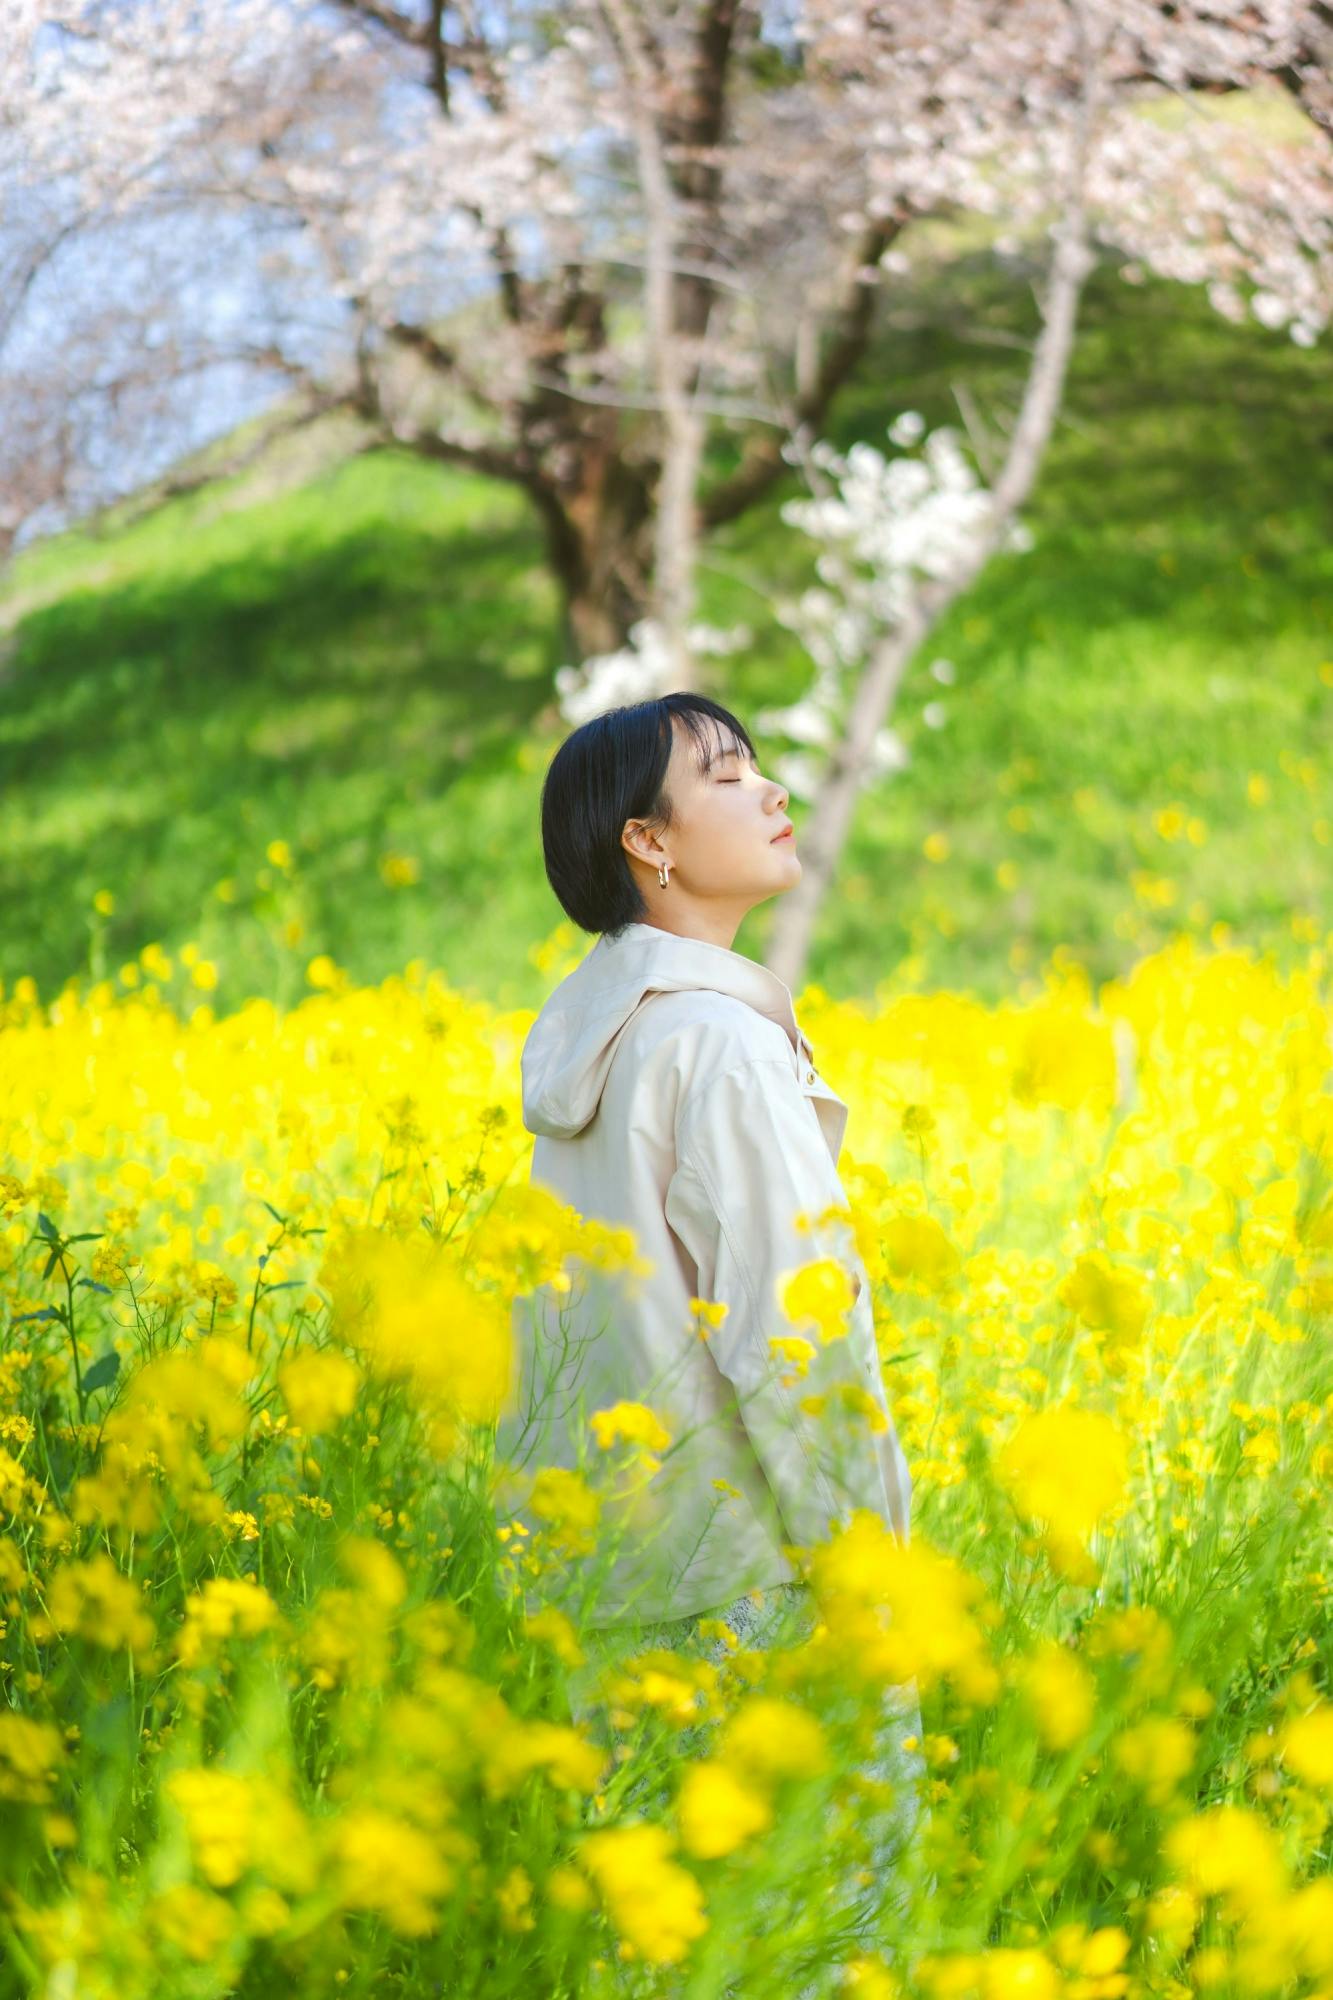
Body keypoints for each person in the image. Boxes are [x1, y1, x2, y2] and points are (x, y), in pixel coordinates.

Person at [493, 693, 925, 1924]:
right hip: (756, 1587)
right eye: (730, 774)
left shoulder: (601, 1045)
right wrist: (870, 1582)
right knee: (823, 1942)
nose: (774, 790)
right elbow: (794, 1345)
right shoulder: (717, 1047)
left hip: (616, 1586)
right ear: (651, 841)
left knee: (666, 1948)